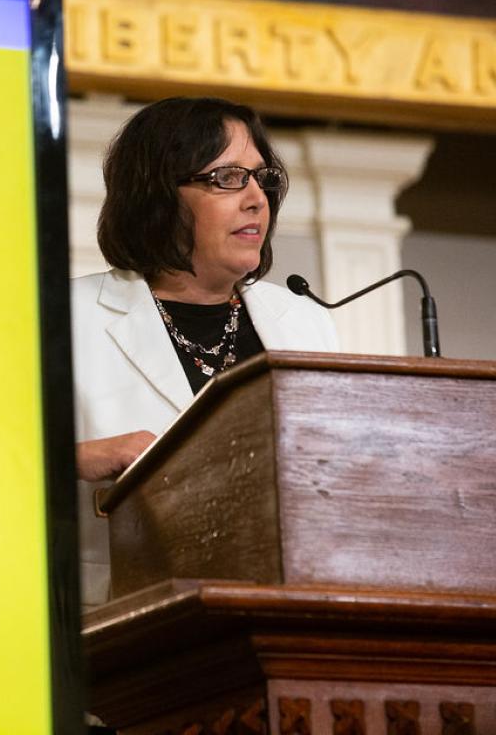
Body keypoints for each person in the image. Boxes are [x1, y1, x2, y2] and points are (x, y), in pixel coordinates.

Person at [71, 97, 339, 608]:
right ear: (156, 196)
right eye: (227, 178)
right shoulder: (66, 316)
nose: (257, 199)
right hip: (116, 628)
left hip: (284, 617)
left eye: (263, 179)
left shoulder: (304, 321)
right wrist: (79, 459)